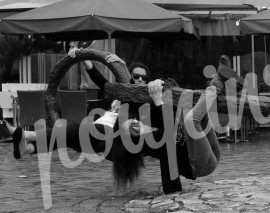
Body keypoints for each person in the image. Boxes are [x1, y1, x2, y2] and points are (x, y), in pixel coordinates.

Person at [5, 78, 222, 194]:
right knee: (73, 131)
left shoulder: (151, 114)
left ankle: (29, 144)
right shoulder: (149, 142)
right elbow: (168, 142)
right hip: (197, 164)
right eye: (134, 132)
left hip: (209, 152)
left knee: (193, 118)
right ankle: (29, 145)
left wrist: (156, 87)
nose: (136, 127)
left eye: (134, 124)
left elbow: (124, 81)